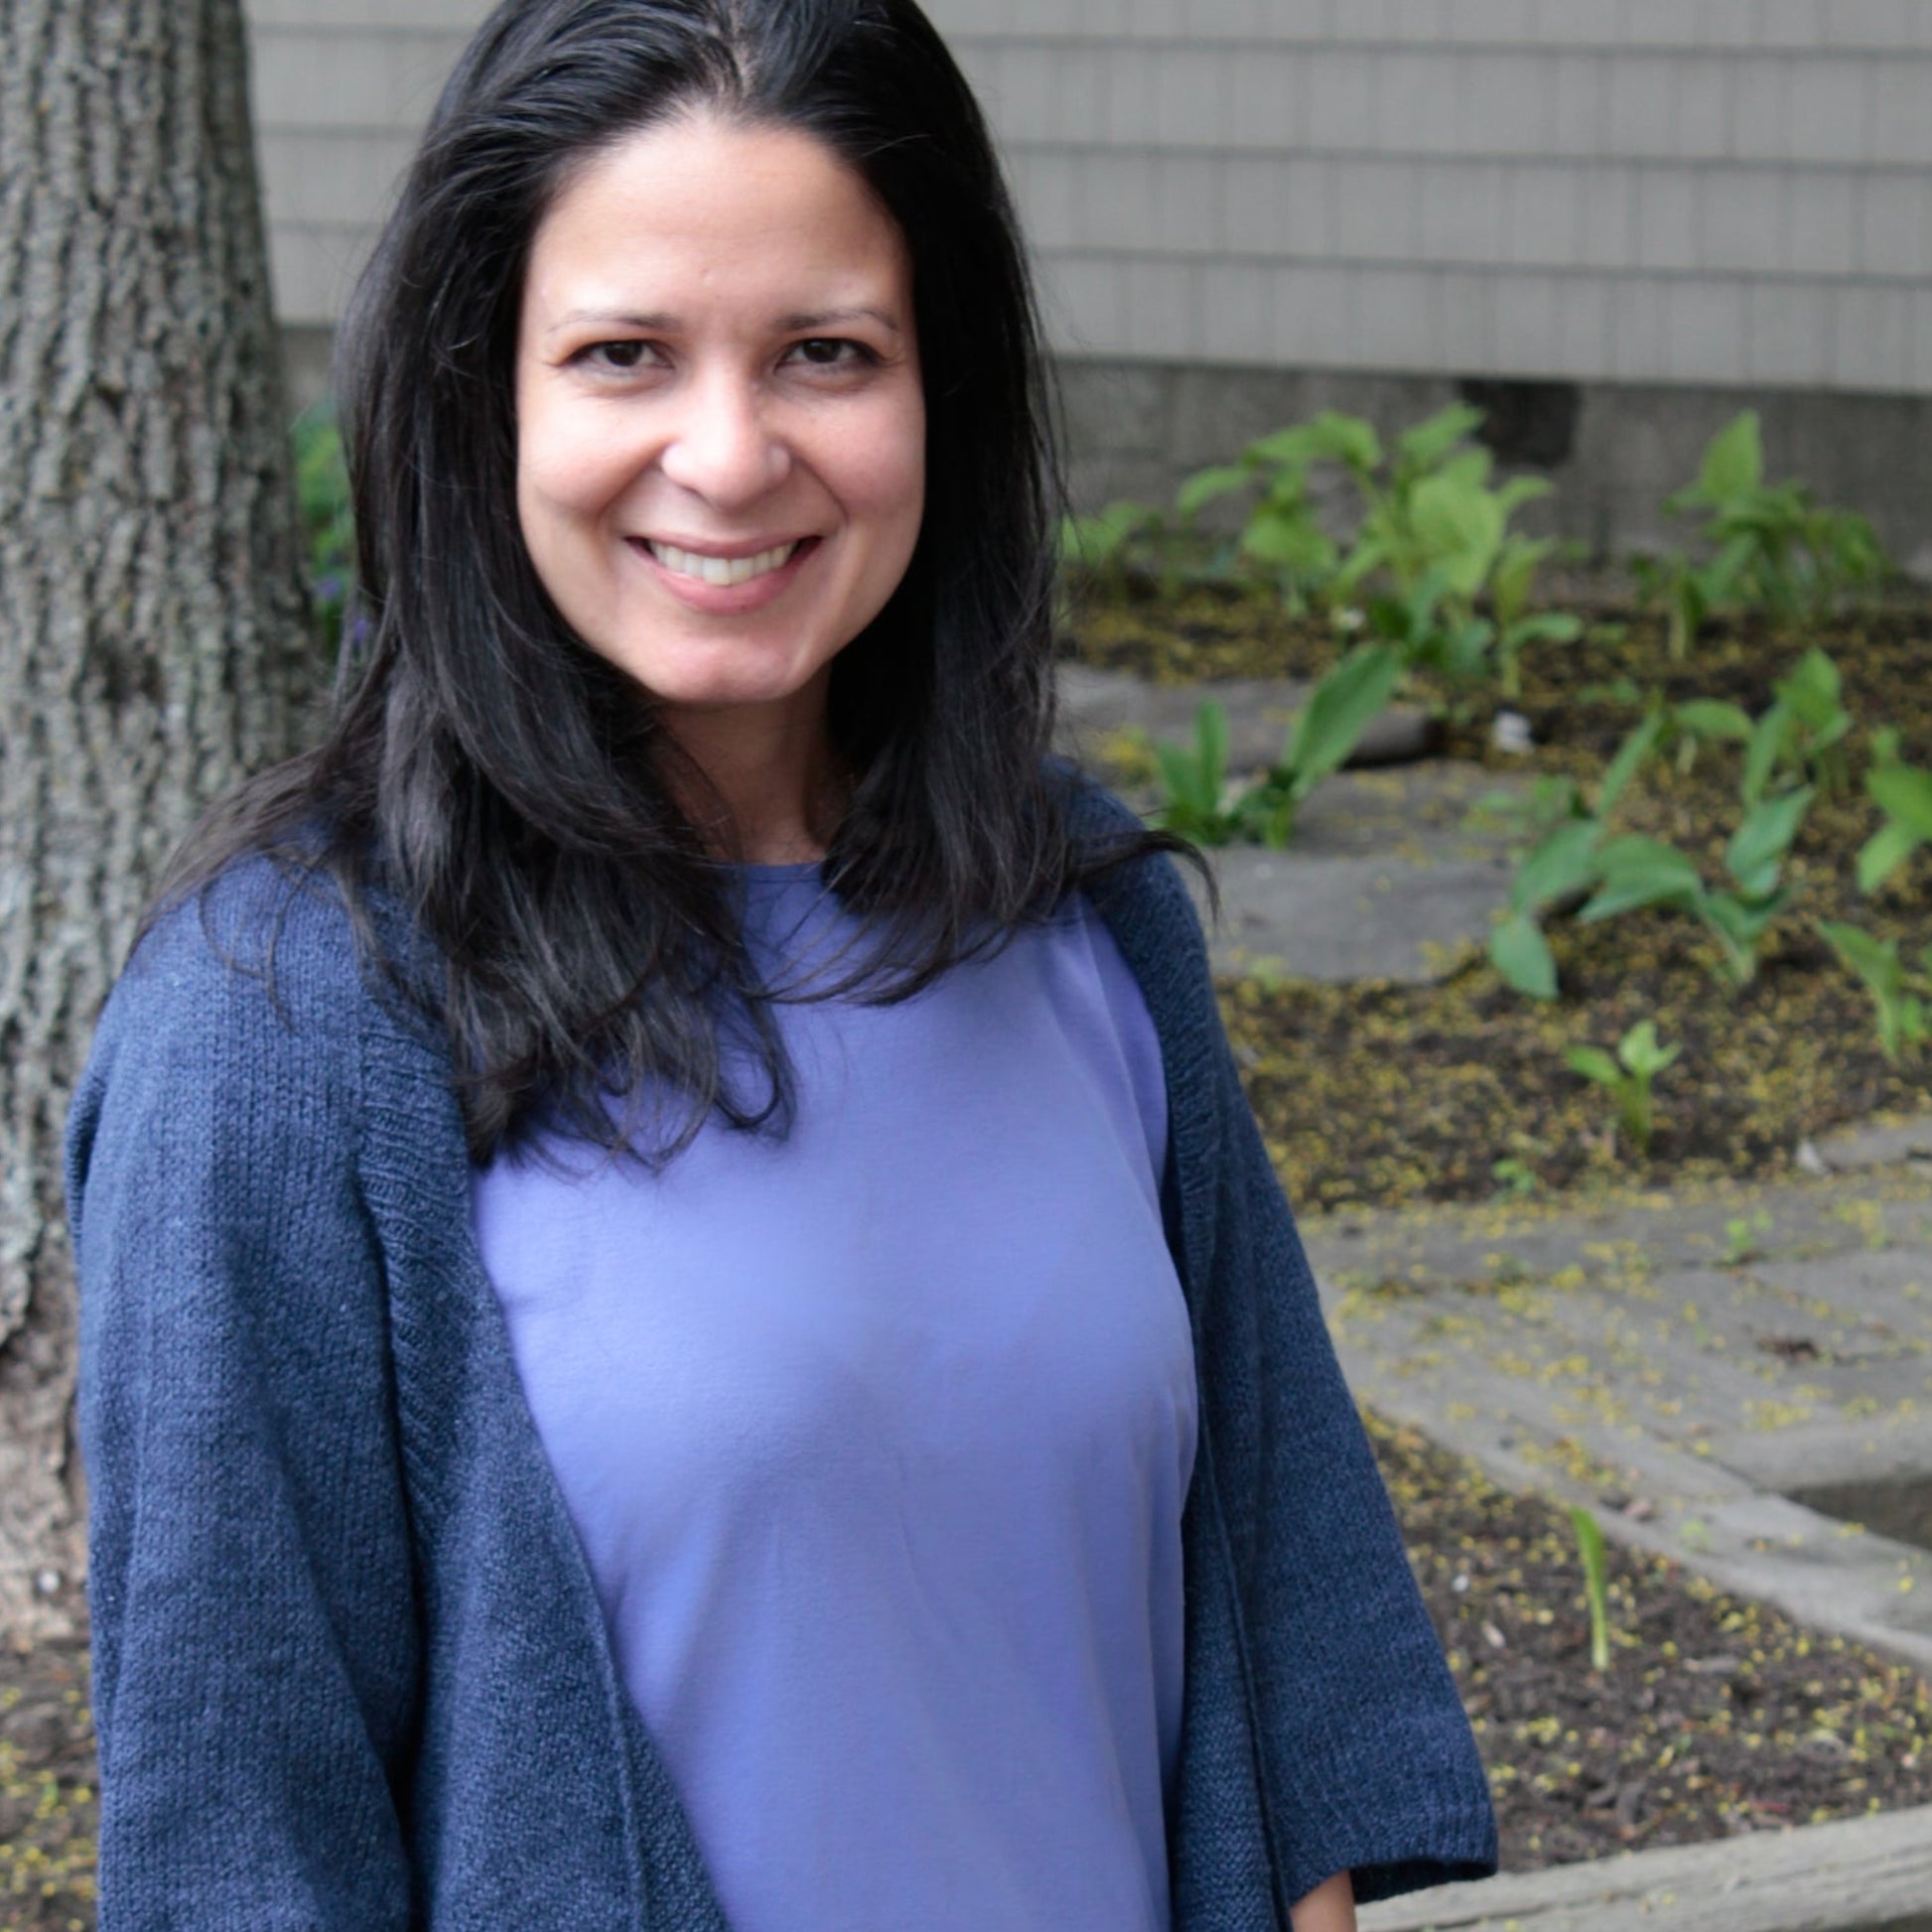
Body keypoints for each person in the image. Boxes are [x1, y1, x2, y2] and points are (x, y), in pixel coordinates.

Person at [66, 2, 1498, 1927]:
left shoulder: (1081, 910)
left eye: (826, 352)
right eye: (622, 356)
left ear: (943, 392)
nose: (727, 457)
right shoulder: (281, 1030)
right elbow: (245, 1846)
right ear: (480, 393)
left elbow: (1278, 1626)